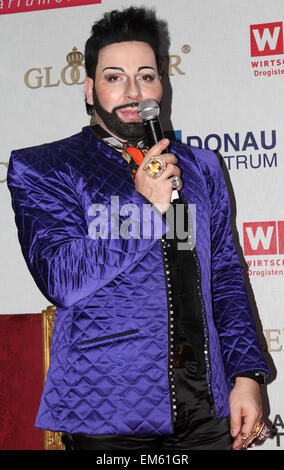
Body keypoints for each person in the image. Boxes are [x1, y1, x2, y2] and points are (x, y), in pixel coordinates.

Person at [7, 7, 271, 451]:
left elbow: (225, 275)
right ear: (90, 90)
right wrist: (145, 204)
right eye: (114, 77)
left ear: (160, 87)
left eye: (146, 76)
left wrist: (246, 374)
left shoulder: (200, 167)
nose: (133, 91)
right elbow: (61, 278)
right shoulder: (44, 166)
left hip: (206, 408)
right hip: (105, 412)